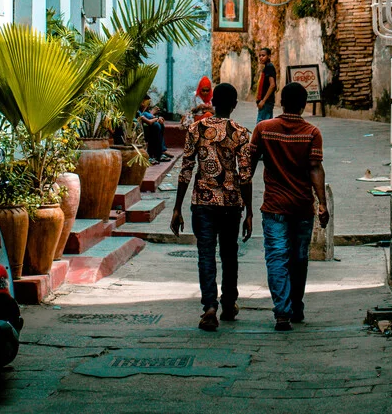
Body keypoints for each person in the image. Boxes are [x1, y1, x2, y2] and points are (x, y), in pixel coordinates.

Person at [170, 82, 253, 332]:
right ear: (235, 105)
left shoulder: (196, 129)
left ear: (212, 103)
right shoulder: (240, 132)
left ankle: (209, 308)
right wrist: (249, 211)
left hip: (202, 203)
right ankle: (229, 303)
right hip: (231, 203)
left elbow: (185, 170)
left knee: (206, 254)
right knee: (229, 254)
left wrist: (177, 208)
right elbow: (245, 175)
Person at [250, 81, 329, 332]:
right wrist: (323, 204)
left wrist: (243, 202)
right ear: (304, 105)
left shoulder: (263, 129)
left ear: (281, 102)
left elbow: (248, 167)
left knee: (276, 257)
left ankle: (282, 312)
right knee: (299, 258)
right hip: (302, 207)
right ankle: (295, 305)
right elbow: (315, 168)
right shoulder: (312, 132)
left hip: (274, 207)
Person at [137, 96, 171, 165]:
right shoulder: (138, 111)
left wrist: (157, 118)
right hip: (141, 129)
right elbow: (148, 121)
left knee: (159, 124)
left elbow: (151, 117)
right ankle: (157, 153)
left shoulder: (145, 112)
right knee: (156, 125)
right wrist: (155, 117)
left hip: (146, 125)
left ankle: (160, 152)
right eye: (147, 103)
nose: (148, 105)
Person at [255, 47, 277, 123]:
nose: (261, 57)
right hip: (266, 102)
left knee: (261, 124)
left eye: (263, 55)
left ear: (269, 56)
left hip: (267, 102)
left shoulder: (269, 68)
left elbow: (272, 85)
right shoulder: (267, 67)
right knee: (267, 124)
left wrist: (263, 101)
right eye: (260, 56)